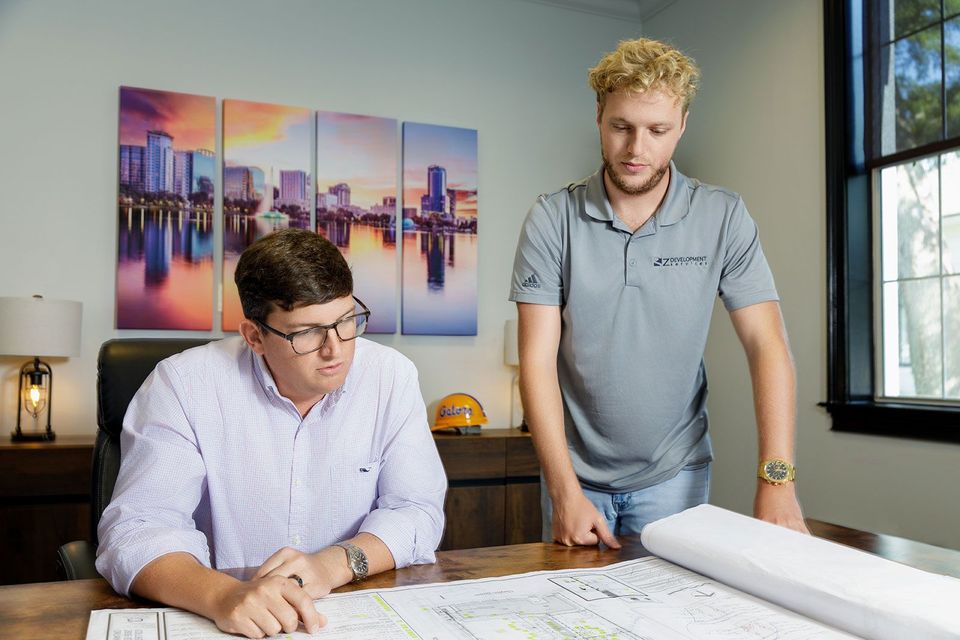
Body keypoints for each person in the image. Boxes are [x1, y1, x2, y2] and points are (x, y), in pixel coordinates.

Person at [509, 38, 807, 549]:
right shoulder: (551, 218)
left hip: (677, 475)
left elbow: (767, 345)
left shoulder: (724, 217)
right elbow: (536, 361)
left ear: (683, 125)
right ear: (599, 115)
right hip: (574, 477)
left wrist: (776, 480)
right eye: (621, 126)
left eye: (657, 130)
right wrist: (563, 490)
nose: (636, 149)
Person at [97, 229, 447, 638]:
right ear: (255, 336)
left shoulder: (391, 376)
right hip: (226, 621)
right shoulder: (184, 384)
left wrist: (332, 565)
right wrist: (221, 595)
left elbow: (416, 509)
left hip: (348, 612)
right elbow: (138, 528)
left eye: (346, 320)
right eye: (307, 332)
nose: (335, 349)